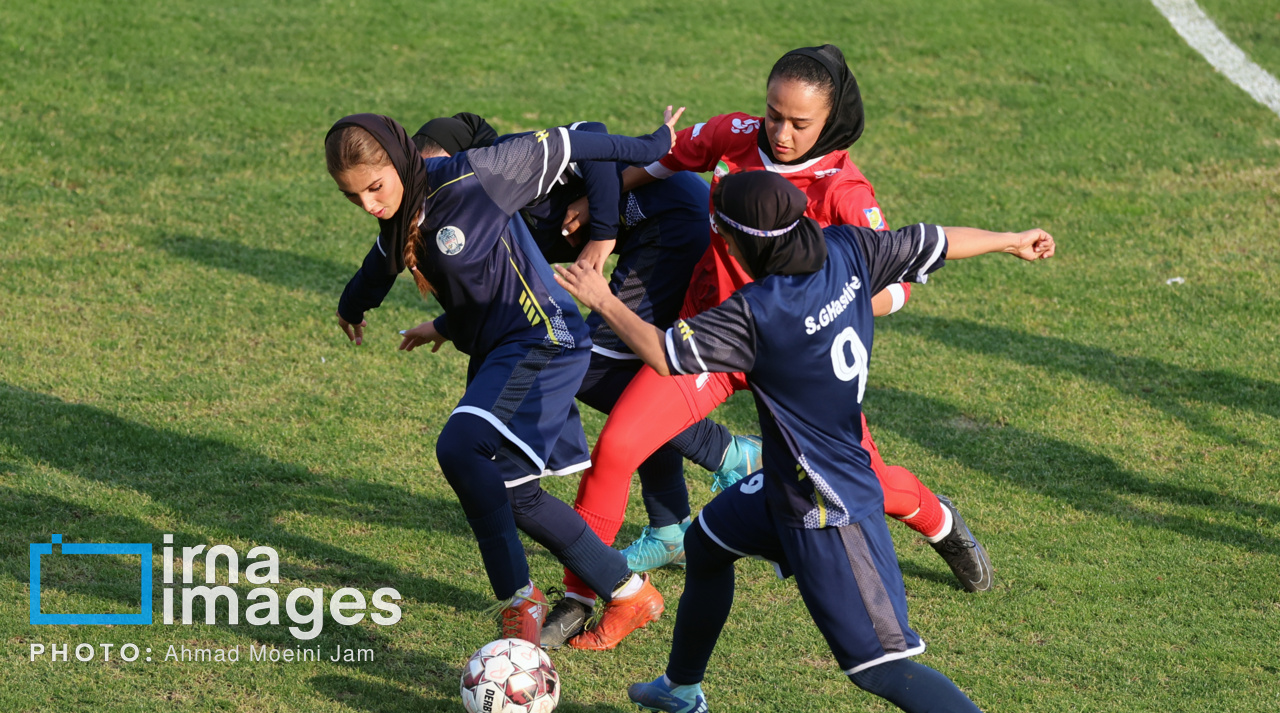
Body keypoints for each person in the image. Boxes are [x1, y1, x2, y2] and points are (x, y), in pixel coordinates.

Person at [553, 170, 1059, 713]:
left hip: (828, 509)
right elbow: (933, 237)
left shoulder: (760, 313)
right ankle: (681, 688)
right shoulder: (849, 248)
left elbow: (663, 353)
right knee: (707, 545)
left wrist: (601, 297)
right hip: (791, 481)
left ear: (735, 247)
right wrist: (1008, 240)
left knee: (880, 666)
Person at [565, 45, 993, 653]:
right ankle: (584, 596)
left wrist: (818, 313)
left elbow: (894, 288)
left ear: (831, 120)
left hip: (799, 367)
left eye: (800, 124)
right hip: (715, 343)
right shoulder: (735, 136)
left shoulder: (846, 192)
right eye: (774, 116)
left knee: (862, 486)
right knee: (617, 448)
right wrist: (597, 208)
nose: (782, 133)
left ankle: (938, 519)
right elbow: (664, 159)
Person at [325, 109, 683, 644]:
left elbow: (579, 141)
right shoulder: (399, 219)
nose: (370, 205)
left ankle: (520, 599)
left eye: (374, 188)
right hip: (505, 351)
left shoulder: (479, 174)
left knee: (460, 447)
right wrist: (352, 308)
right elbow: (378, 267)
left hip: (544, 338)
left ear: (399, 159)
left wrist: (658, 144)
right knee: (515, 493)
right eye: (354, 198)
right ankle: (629, 593)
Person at [409, 113, 716, 648]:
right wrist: (442, 323)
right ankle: (648, 551)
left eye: (434, 171)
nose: (428, 189)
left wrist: (602, 231)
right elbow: (495, 291)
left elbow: (589, 134)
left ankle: (722, 458)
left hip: (664, 233)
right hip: (551, 323)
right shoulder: (459, 214)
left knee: (598, 399)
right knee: (530, 464)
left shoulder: (500, 176)